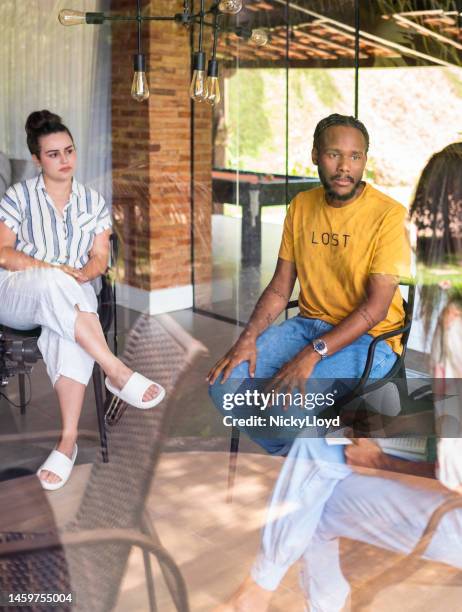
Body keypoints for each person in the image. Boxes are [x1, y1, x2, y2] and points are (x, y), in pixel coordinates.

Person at [214, 143, 462, 612]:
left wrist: (380, 460)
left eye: (424, 209)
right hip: (438, 439)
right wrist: (378, 428)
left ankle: (269, 595)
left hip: (454, 509)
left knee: (312, 502)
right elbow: (426, 388)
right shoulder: (441, 287)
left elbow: (456, 473)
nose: (414, 223)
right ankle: (269, 593)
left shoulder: (454, 316)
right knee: (313, 449)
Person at [208, 113, 410, 454]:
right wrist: (247, 339)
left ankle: (305, 458)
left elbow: (375, 309)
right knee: (222, 387)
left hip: (370, 341)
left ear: (364, 160)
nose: (345, 167)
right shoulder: (302, 206)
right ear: (316, 155)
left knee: (282, 411)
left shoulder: (388, 215)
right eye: (334, 154)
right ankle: (300, 458)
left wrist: (311, 355)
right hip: (305, 326)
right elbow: (278, 288)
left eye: (355, 156)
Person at [0, 110, 165, 490]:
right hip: (18, 295)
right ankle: (116, 371)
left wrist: (83, 273)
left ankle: (68, 441)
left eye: (69, 150)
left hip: (70, 299)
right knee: (54, 286)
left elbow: (99, 259)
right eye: (54, 154)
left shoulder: (93, 202)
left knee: (66, 327)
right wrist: (52, 269)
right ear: (38, 159)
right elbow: (4, 253)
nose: (65, 160)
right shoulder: (18, 196)